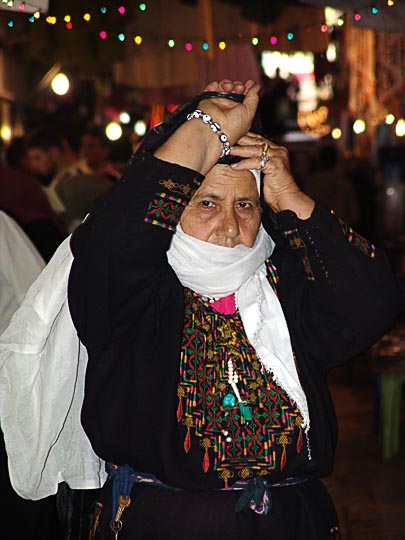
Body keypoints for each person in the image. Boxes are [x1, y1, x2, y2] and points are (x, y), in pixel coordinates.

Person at [0, 79, 403, 540]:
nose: (230, 227)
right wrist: (204, 128)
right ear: (169, 207)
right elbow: (122, 237)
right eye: (207, 202)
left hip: (293, 523)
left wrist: (289, 196)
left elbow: (373, 303)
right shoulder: (130, 291)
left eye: (245, 204)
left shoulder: (281, 284)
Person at [26, 126, 114, 233]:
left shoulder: (74, 180)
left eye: (37, 158)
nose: (33, 165)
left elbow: (75, 229)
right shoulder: (65, 179)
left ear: (54, 152)